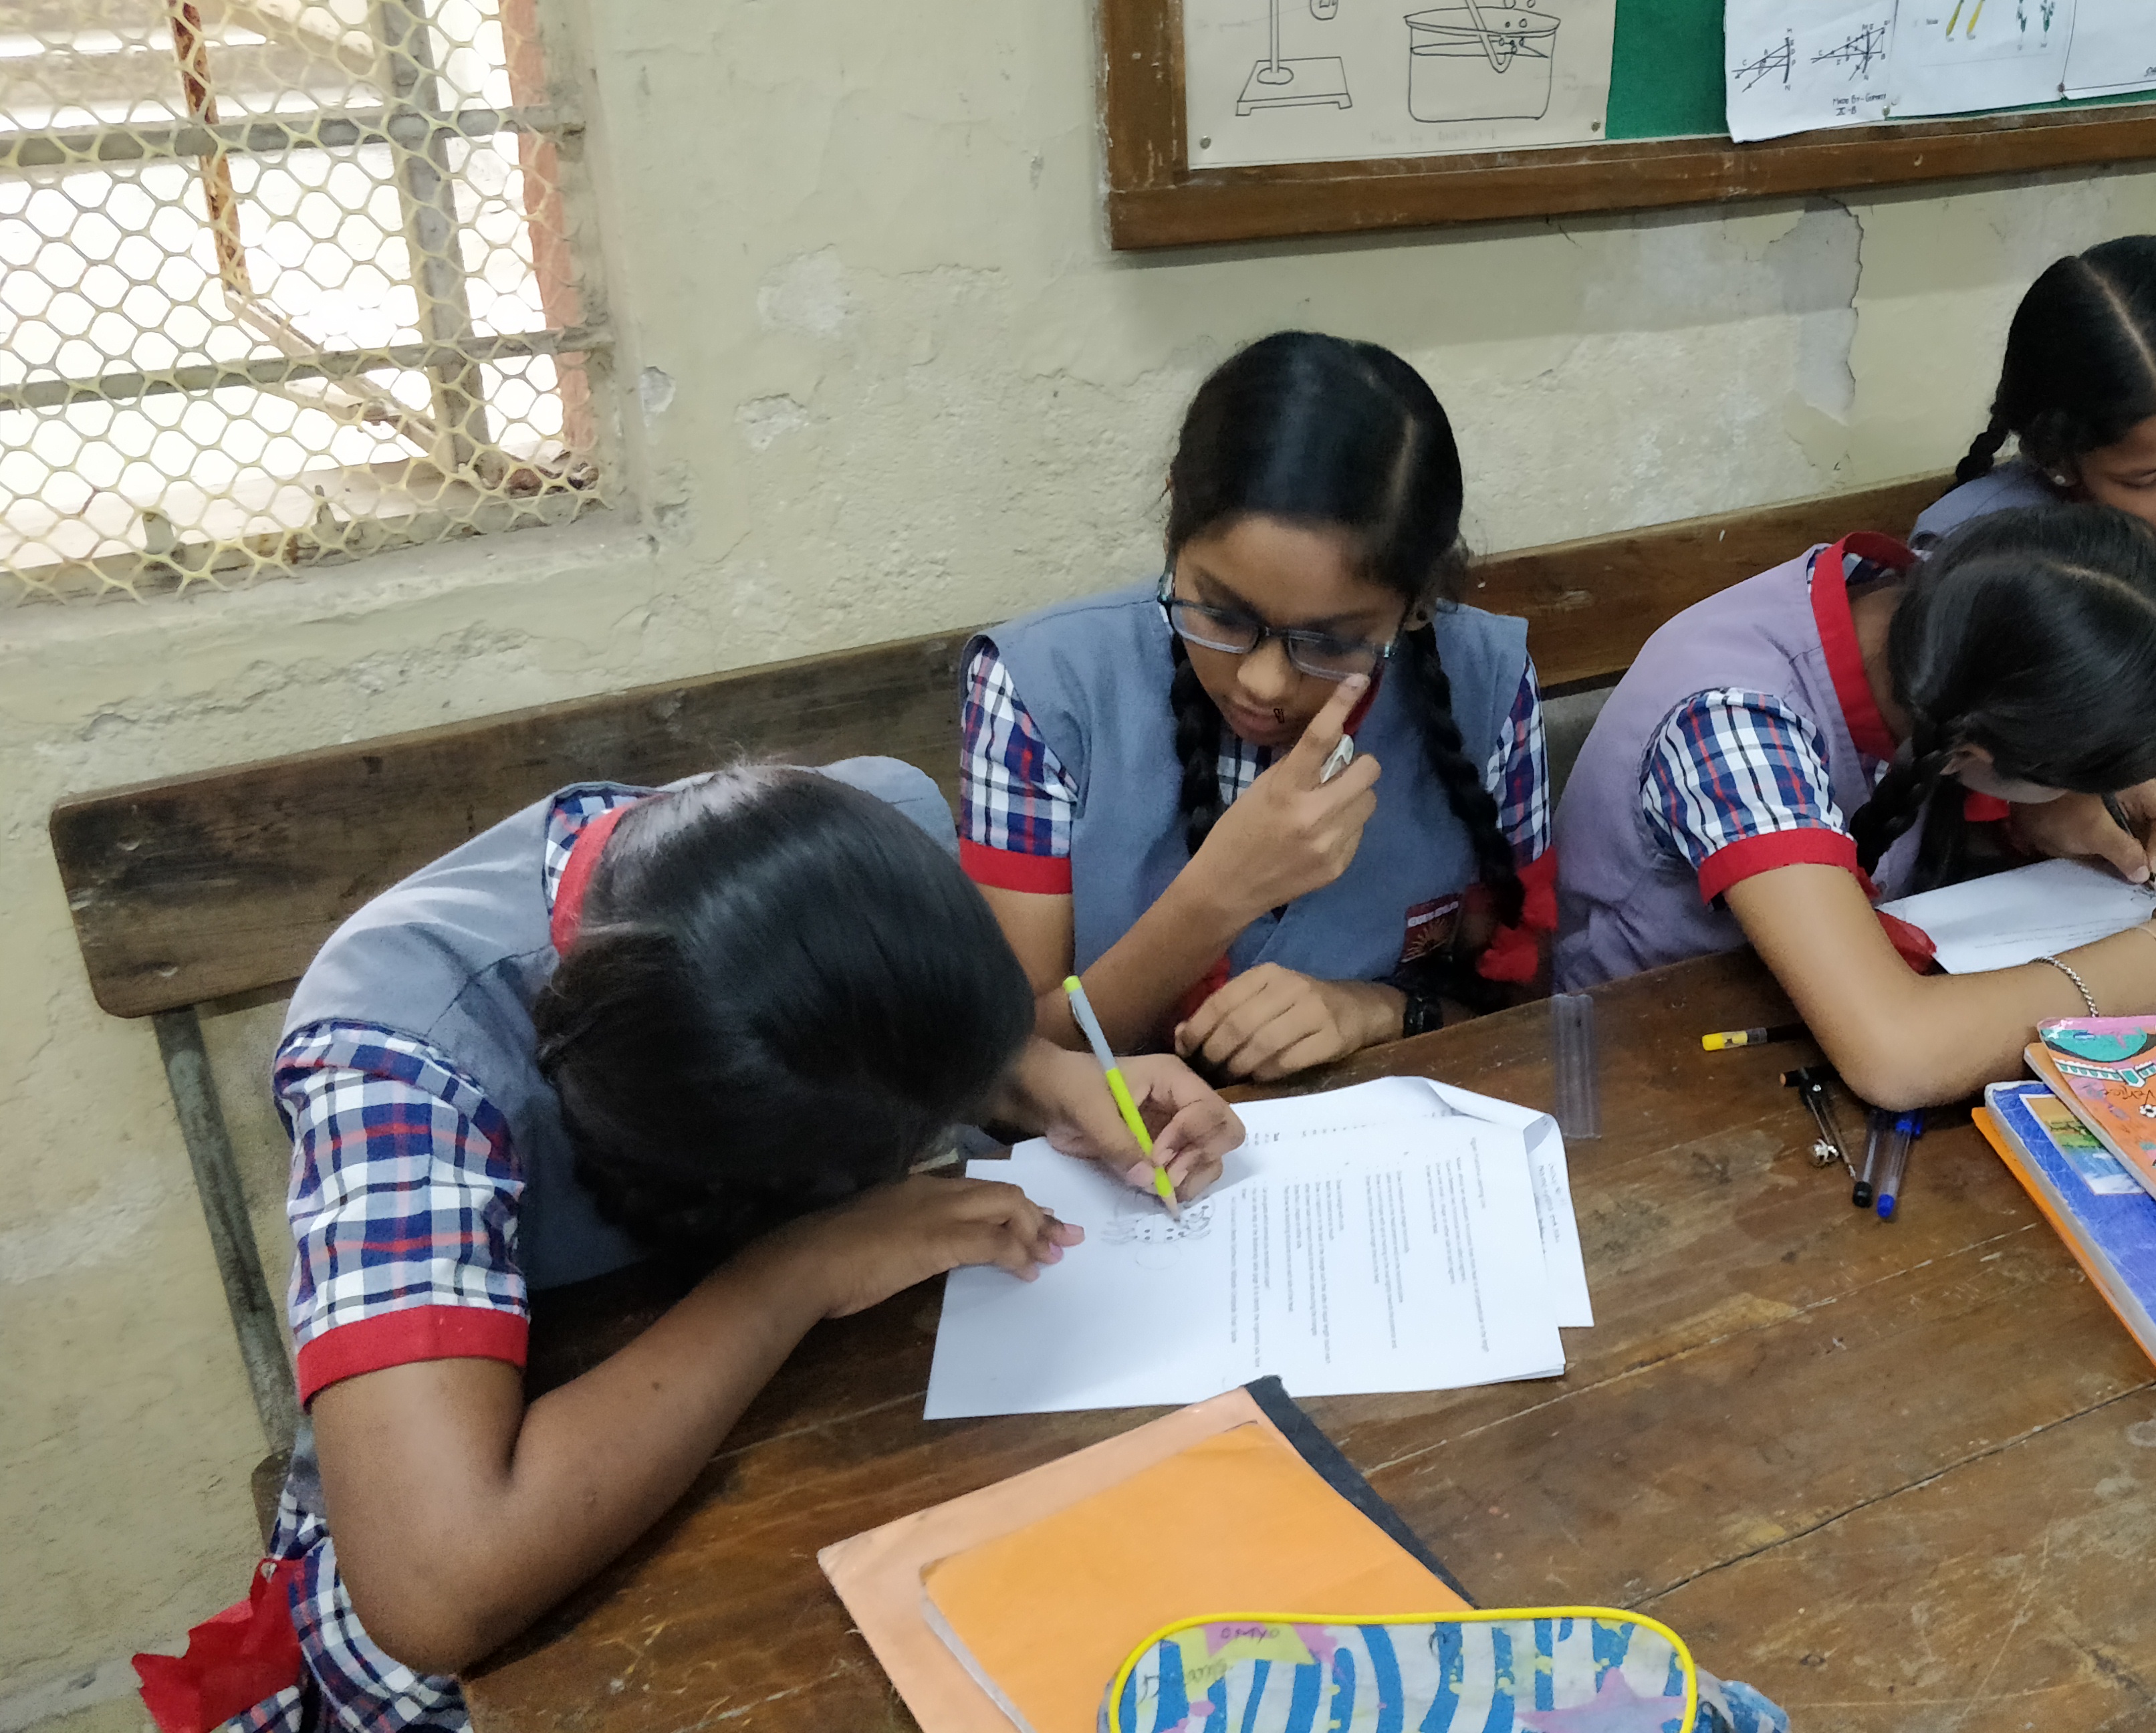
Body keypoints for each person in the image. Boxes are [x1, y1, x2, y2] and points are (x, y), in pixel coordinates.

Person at [170, 760, 1241, 1733]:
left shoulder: (872, 835)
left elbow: (857, 1033)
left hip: (808, 1453)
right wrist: (802, 1268)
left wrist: (1040, 1077)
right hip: (530, 1623)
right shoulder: (399, 1063)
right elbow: (436, 1590)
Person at [1554, 502, 2156, 1111]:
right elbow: (1897, 1055)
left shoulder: (1947, 607)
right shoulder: (1736, 721)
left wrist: (2063, 798)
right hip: (1647, 1066)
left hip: (1805, 1006)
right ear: (1976, 754)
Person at [959, 332, 1552, 1083]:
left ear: (1417, 603)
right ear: (1173, 519)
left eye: (1331, 641)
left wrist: (1374, 1012)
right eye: (1221, 613)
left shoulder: (1487, 683)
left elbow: (1524, 1008)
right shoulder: (1039, 689)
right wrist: (1218, 896)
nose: (1265, 684)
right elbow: (1001, 1073)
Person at [1913, 235, 2156, 802]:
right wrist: (2129, 762)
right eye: (2148, 478)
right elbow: (1934, 778)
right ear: (2060, 462)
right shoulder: (1968, 553)